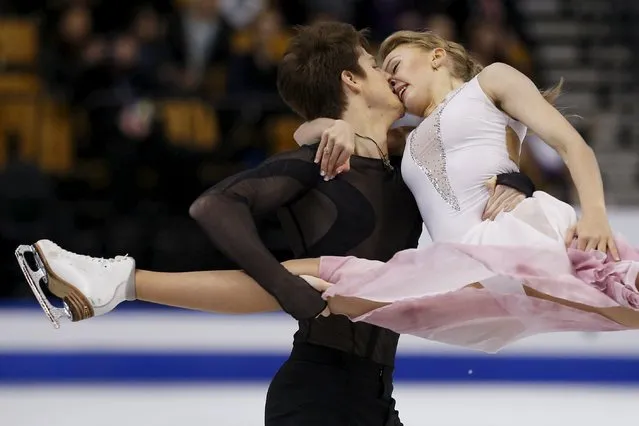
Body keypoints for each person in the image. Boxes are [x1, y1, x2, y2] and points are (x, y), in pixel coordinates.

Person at [15, 23, 533, 426]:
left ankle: (117, 284)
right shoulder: (323, 164)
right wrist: (287, 290)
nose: (391, 76)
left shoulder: (405, 166)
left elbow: (478, 134)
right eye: (376, 67)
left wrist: (515, 177)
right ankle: (117, 281)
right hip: (316, 398)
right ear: (351, 80)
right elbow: (213, 208)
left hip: (371, 398)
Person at [286, 29, 639, 353]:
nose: (391, 79)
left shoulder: (489, 82)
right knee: (344, 288)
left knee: (620, 302)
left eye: (395, 64)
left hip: (507, 239)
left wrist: (595, 214)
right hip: (460, 265)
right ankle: (259, 274)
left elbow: (571, 145)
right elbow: (303, 134)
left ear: (436, 56)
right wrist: (336, 127)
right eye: (385, 75)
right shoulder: (406, 137)